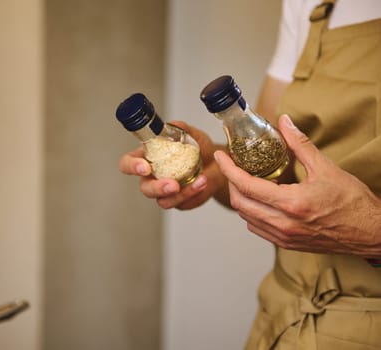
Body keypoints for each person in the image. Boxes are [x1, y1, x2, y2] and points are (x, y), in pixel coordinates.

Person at [118, 0, 381, 349]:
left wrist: (371, 230)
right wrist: (213, 169)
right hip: (284, 318)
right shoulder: (309, 5)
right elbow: (274, 169)